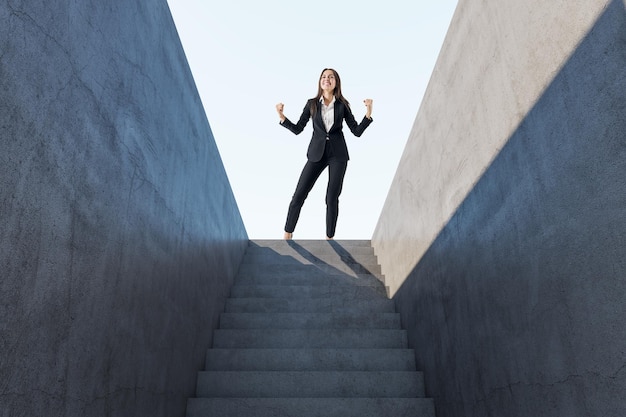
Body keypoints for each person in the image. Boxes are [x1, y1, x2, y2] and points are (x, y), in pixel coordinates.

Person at [276, 68, 373, 240]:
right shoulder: (312, 104)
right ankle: (287, 234)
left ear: (336, 82)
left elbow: (356, 131)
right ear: (320, 82)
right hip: (316, 153)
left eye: (331, 77)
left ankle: (329, 238)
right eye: (323, 77)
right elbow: (298, 129)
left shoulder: (342, 105)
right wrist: (282, 117)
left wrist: (368, 113)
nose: (326, 79)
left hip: (338, 155)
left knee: (331, 197)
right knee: (299, 194)